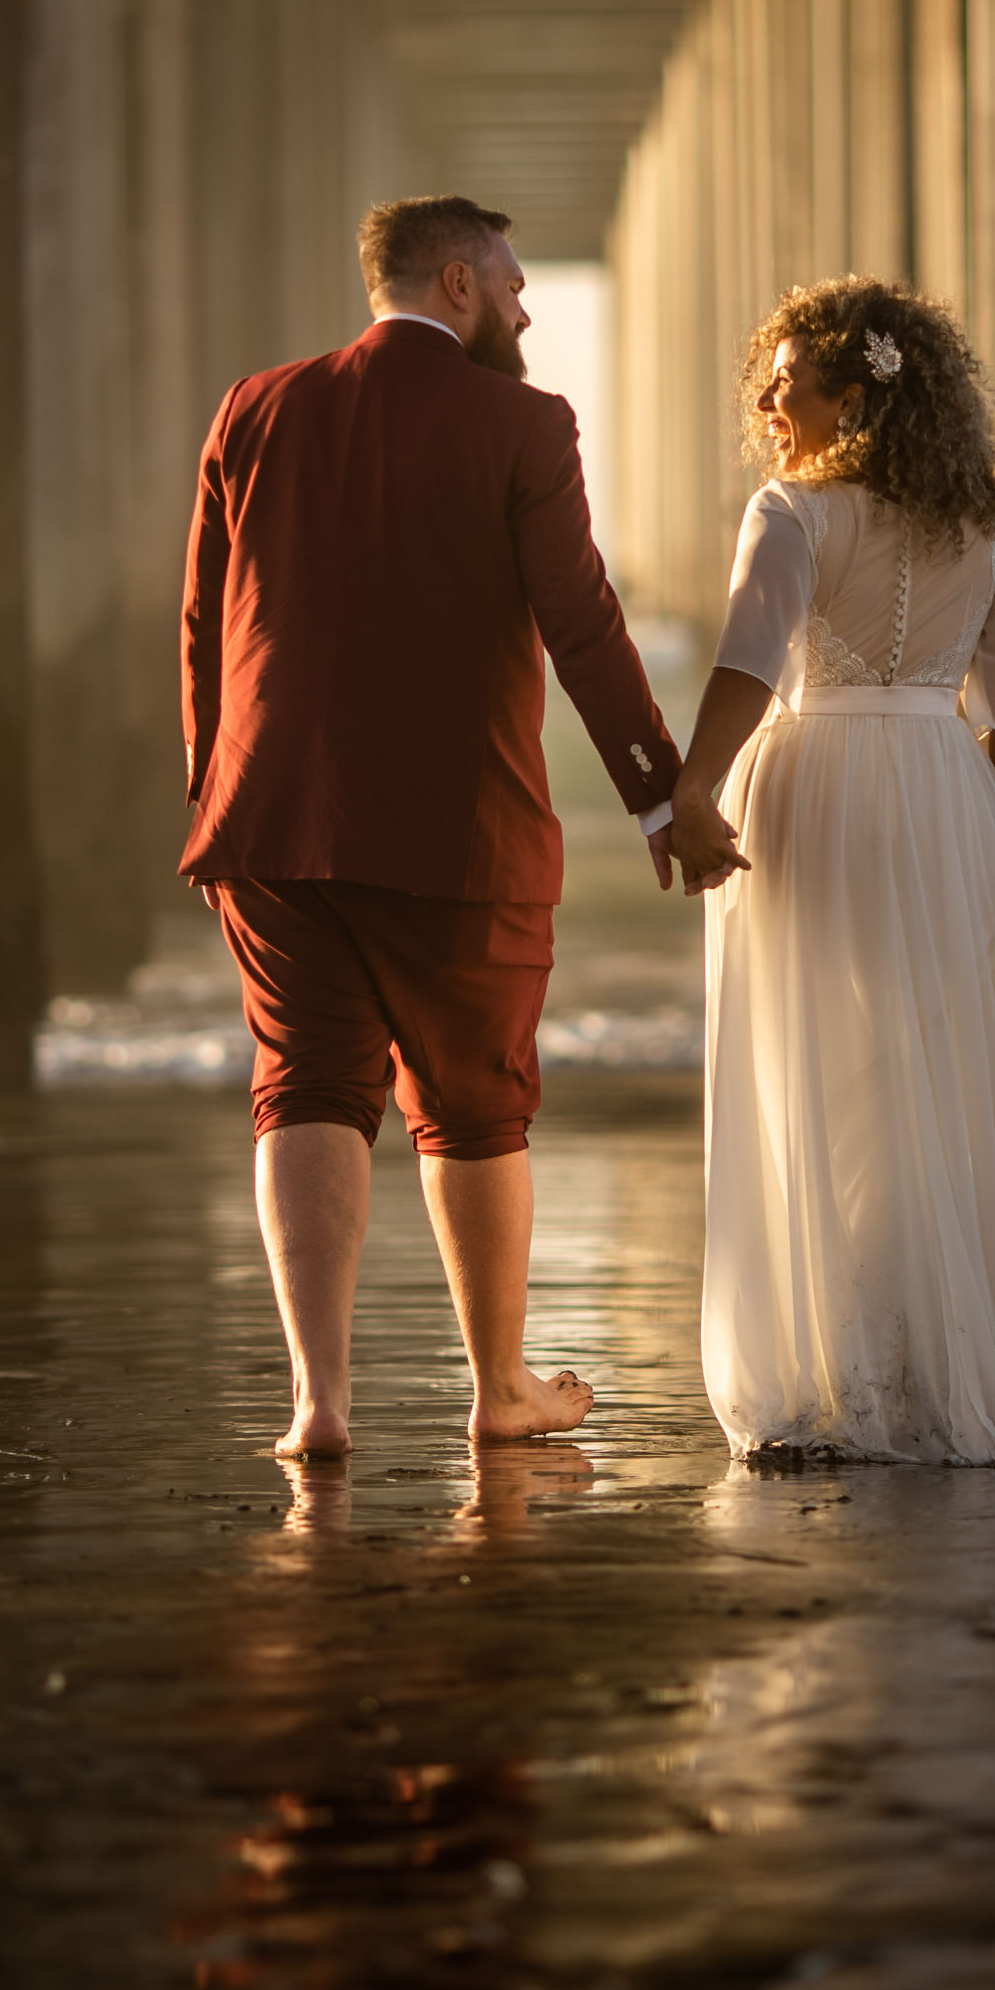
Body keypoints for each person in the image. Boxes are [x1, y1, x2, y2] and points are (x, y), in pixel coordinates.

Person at [180, 195, 683, 1459]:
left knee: (304, 1085)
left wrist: (214, 795)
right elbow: (582, 622)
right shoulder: (524, 424)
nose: (524, 307)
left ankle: (320, 1403)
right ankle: (498, 1387)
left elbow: (203, 623)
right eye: (511, 283)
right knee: (473, 1105)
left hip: (274, 820)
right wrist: (661, 793)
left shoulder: (255, 406)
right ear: (454, 282)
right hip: (459, 833)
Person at [669, 277, 995, 1465]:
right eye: (769, 388)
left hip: (814, 790)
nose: (772, 406)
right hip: (949, 797)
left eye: (790, 386)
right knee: (921, 1071)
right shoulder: (981, 533)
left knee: (823, 1072)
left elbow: (744, 662)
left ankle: (855, 1365)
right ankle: (946, 1357)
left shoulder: (791, 512)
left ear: (857, 394)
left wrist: (691, 789)